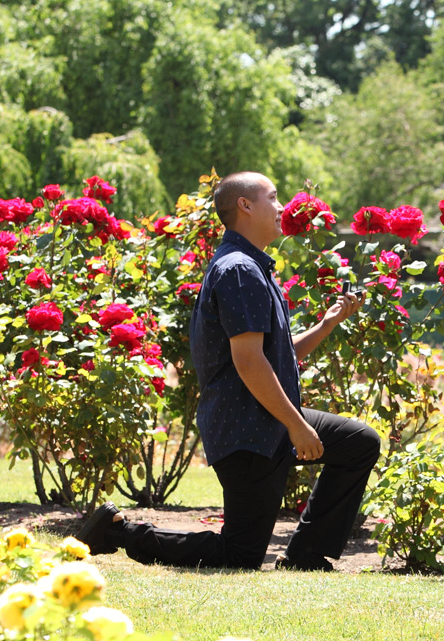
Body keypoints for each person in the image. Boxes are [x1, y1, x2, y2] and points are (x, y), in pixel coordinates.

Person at [77, 172, 378, 570]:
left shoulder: (250, 266)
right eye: (273, 197)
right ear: (245, 206)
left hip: (262, 422)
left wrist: (326, 324)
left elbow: (274, 354)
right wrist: (296, 426)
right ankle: (116, 532)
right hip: (247, 432)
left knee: (358, 442)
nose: (282, 206)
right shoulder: (240, 270)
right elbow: (249, 362)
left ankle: (306, 552)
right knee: (239, 554)